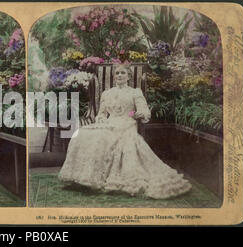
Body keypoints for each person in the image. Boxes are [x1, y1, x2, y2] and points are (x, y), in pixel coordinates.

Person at [58, 64, 191, 199]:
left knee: (105, 138)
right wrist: (101, 119)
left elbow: (144, 111)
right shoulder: (107, 94)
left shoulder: (135, 92)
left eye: (122, 73)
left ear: (128, 76)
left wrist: (138, 114)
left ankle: (102, 178)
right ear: (114, 76)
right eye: (117, 73)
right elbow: (101, 114)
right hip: (109, 123)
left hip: (127, 123)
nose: (119, 75)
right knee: (82, 134)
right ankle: (83, 177)